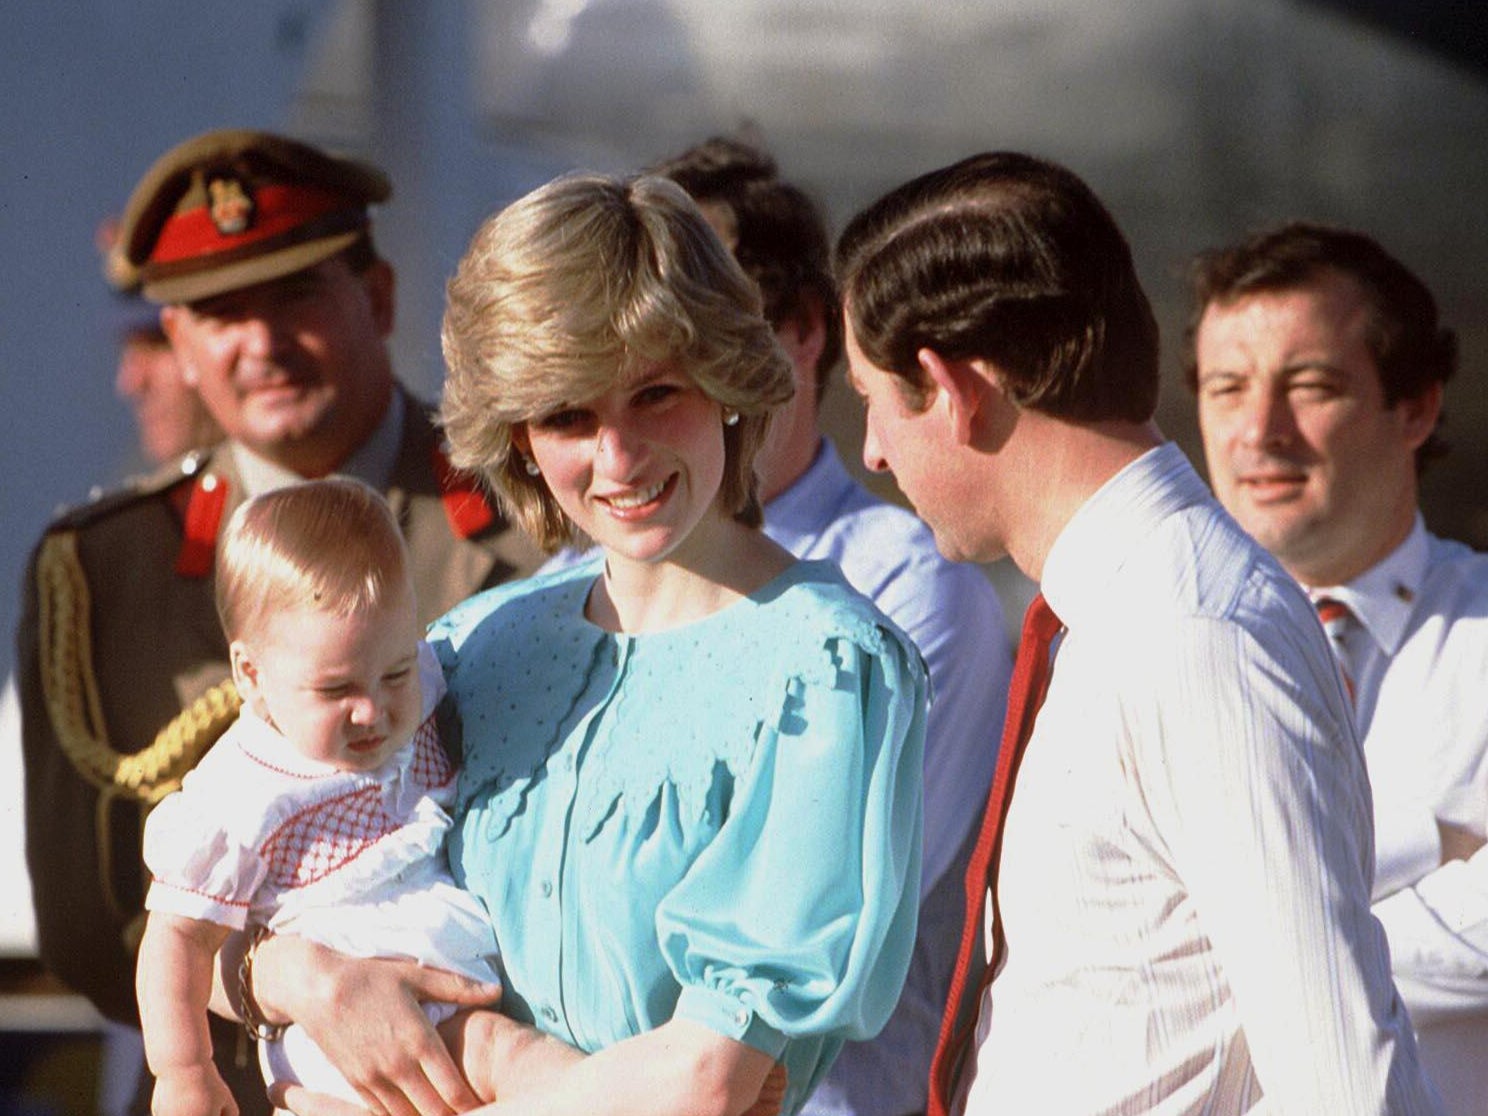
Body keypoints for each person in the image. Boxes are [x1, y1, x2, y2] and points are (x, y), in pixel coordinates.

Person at [246, 171, 928, 1116]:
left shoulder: (825, 672)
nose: (619, 457)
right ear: (519, 436)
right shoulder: (477, 642)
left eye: (655, 394)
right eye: (570, 414)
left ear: (728, 381)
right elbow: (243, 863)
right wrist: (287, 977)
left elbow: (705, 1079)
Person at [834, 151, 1441, 1114]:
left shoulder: (1192, 634)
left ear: (951, 389)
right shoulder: (1132, 616)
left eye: (872, 400)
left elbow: (1347, 1085)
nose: (871, 449)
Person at [16, 129, 542, 1116]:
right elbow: (93, 925)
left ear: (378, 299)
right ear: (175, 346)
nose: (260, 343)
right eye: (217, 313)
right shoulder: (100, 570)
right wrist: (281, 975)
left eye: (296, 296)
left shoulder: (529, 514)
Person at [648, 136, 1012, 1116]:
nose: (684, 381)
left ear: (806, 331)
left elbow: (823, 913)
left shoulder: (905, 590)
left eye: (719, 333)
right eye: (647, 348)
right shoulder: (562, 591)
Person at [1186, 222, 1487, 1116]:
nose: (1258, 430)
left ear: (1418, 408)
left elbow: (1183, 958)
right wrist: (1428, 843)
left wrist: (1264, 944)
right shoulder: (1131, 649)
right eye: (1227, 387)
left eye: (1311, 386)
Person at [137, 478, 506, 1116]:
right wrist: (184, 1071)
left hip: (451, 986)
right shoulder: (244, 793)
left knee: (530, 1067)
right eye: (336, 691)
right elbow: (174, 940)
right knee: (519, 1062)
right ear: (250, 675)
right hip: (340, 1045)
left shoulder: (426, 677)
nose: (374, 710)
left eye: (393, 671)